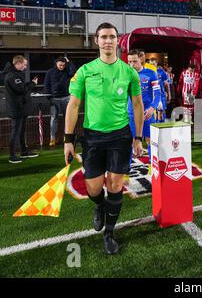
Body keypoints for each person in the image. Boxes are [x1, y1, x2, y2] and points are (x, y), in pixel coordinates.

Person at [64, 22, 144, 255]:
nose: (108, 40)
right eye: (103, 37)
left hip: (120, 136)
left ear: (117, 41)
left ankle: (109, 232)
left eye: (112, 36)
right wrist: (68, 140)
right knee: (93, 187)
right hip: (92, 137)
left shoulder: (129, 72)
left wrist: (138, 137)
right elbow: (73, 105)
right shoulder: (85, 71)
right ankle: (99, 206)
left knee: (116, 185)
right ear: (96, 41)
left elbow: (138, 105)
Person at [3, 55, 39, 164]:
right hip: (16, 109)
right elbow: (21, 90)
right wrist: (33, 84)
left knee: (22, 131)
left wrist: (30, 83)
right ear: (18, 63)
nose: (26, 66)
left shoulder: (16, 74)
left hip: (21, 108)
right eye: (24, 64)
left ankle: (24, 151)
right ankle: (12, 155)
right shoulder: (11, 75)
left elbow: (22, 87)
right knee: (15, 132)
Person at [127, 49, 160, 152]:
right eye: (129, 62)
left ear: (141, 59)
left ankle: (152, 167)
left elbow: (158, 94)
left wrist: (152, 108)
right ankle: (128, 168)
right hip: (131, 114)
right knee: (131, 142)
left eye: (135, 61)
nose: (132, 65)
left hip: (147, 113)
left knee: (151, 141)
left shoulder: (151, 73)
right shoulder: (126, 74)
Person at [44, 56, 76, 147]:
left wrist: (69, 62)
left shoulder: (67, 71)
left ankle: (67, 137)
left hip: (66, 97)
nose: (61, 66)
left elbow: (73, 72)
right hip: (54, 99)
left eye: (63, 65)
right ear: (56, 64)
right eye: (60, 65)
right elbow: (46, 85)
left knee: (68, 118)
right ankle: (52, 138)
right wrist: (49, 98)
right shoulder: (50, 72)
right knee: (54, 118)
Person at [149, 58, 170, 122]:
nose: (152, 65)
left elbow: (166, 84)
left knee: (161, 112)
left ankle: (161, 126)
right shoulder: (147, 72)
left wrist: (169, 94)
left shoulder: (161, 72)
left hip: (161, 95)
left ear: (156, 63)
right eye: (151, 64)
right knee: (152, 113)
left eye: (154, 64)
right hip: (151, 96)